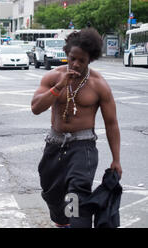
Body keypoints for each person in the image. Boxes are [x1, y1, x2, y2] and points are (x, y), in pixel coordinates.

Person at [31, 28, 122, 228]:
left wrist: (116, 159)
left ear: (90, 59)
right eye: (73, 58)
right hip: (55, 145)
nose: (76, 64)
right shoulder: (53, 77)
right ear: (67, 54)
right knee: (51, 192)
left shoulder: (99, 84)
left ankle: (77, 224)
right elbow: (36, 108)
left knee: (76, 194)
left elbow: (111, 123)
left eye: (82, 60)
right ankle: (63, 221)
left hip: (83, 147)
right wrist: (59, 87)